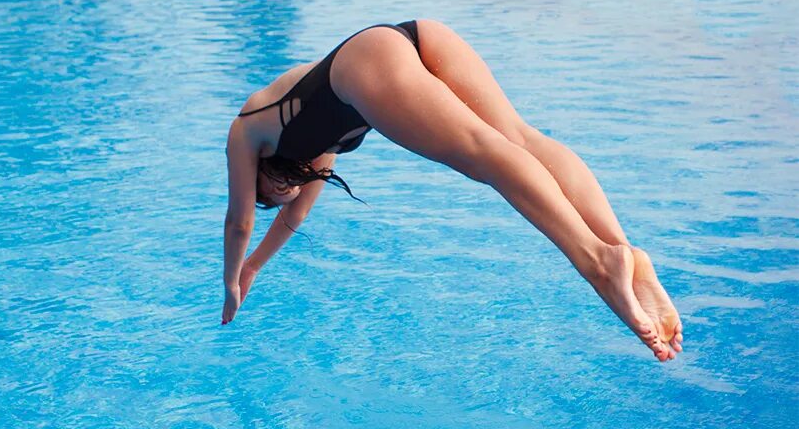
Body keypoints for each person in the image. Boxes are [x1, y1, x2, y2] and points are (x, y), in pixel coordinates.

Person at [222, 19, 684, 362]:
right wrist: (255, 267)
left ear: (260, 173)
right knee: (521, 140)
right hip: (412, 36)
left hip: (370, 62)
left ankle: (598, 263)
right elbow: (296, 216)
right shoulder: (314, 157)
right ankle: (621, 250)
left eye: (269, 194)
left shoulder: (247, 130)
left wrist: (230, 283)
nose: (282, 195)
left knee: (485, 153)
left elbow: (240, 220)